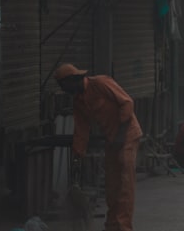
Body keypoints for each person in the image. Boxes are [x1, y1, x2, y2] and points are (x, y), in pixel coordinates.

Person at [55, 63, 142, 231]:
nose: (64, 90)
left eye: (64, 86)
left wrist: (120, 135)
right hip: (112, 139)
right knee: (112, 185)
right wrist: (77, 157)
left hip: (128, 134)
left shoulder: (101, 83)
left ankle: (124, 227)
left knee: (125, 182)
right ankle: (111, 226)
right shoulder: (78, 102)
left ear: (73, 80)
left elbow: (127, 103)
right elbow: (81, 131)